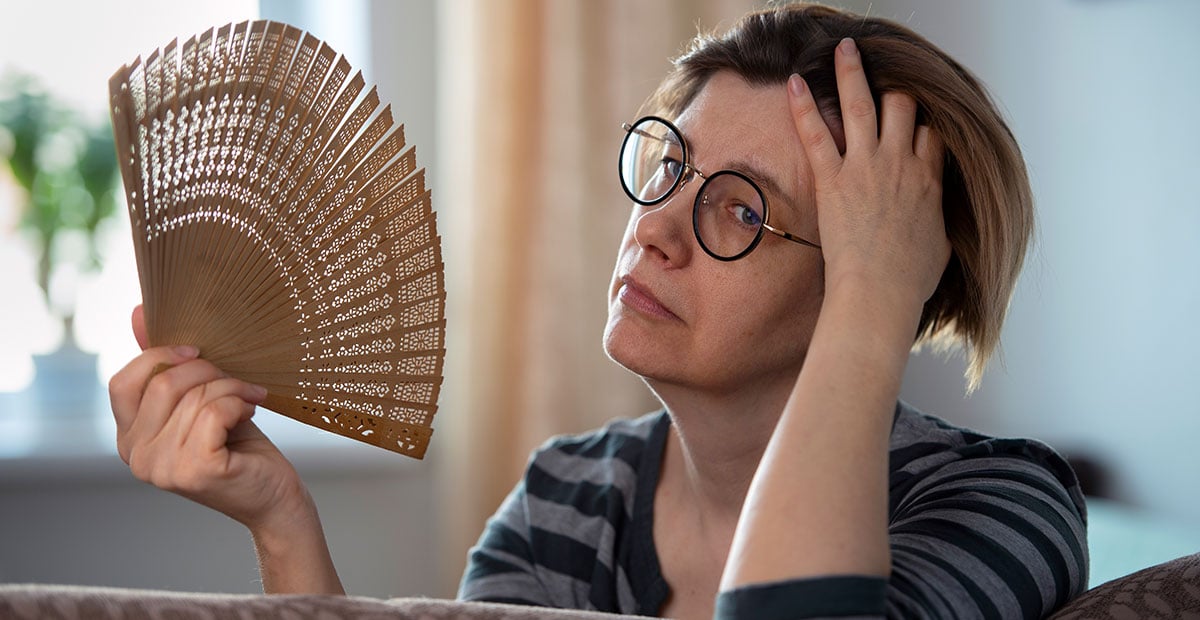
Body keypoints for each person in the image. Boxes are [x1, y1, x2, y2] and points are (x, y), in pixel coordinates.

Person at [107, 3, 1088, 619]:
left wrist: (874, 311)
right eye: (669, 167)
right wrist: (281, 523)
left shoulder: (1001, 502)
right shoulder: (565, 502)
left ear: (880, 273)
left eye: (742, 211)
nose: (654, 228)